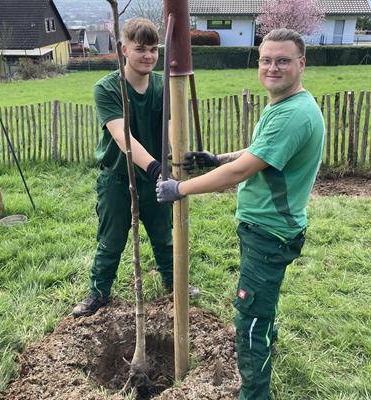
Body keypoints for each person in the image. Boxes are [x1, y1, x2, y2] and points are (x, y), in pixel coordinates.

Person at [157, 28, 325, 399]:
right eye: (266, 60)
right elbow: (256, 152)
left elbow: (241, 172)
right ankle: (268, 342)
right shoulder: (284, 105)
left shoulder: (293, 115)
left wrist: (179, 189)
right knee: (261, 305)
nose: (272, 67)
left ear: (301, 63)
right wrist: (216, 158)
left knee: (249, 319)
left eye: (282, 60)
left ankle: (254, 393)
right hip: (267, 230)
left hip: (270, 233)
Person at [72, 18, 172, 317]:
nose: (149, 56)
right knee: (111, 238)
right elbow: (121, 135)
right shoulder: (107, 88)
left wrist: (173, 159)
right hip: (117, 178)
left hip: (157, 179)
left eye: (154, 49)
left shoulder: (162, 85)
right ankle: (99, 293)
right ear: (123, 49)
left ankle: (173, 284)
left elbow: (172, 126)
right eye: (141, 48)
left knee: (163, 235)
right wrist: (155, 167)